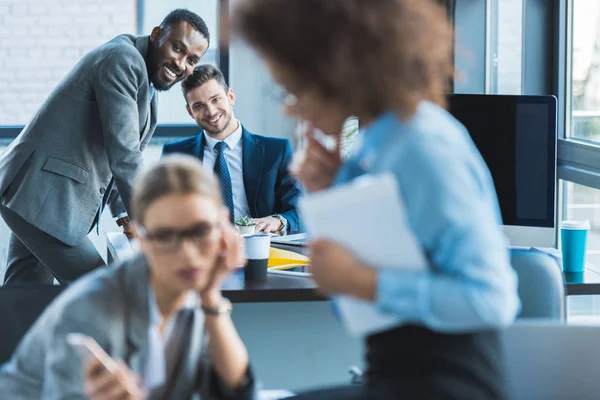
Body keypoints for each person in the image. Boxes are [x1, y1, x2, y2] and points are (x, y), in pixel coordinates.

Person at [233, 0, 520, 399]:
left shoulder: (423, 147)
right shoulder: (372, 149)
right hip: (393, 376)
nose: (289, 105)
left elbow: (490, 301)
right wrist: (331, 195)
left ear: (339, 74)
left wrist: (360, 280)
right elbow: (356, 307)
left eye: (295, 88)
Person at [0, 155, 256, 399]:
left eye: (200, 230)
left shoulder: (191, 294)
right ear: (141, 238)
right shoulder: (90, 310)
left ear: (223, 225)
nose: (188, 254)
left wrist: (210, 297)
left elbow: (237, 393)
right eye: (165, 236)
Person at [0, 9, 210, 285]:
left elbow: (116, 155)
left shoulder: (144, 76)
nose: (182, 63)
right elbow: (125, 156)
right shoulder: (124, 59)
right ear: (157, 35)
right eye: (177, 48)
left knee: (24, 298)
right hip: (45, 199)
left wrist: (125, 214)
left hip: (33, 195)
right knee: (104, 291)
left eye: (192, 59)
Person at [162, 65, 302, 234]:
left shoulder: (276, 152)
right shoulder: (175, 156)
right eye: (198, 106)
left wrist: (277, 221)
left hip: (260, 251)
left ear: (230, 96)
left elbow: (299, 211)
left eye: (215, 99)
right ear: (190, 112)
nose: (211, 112)